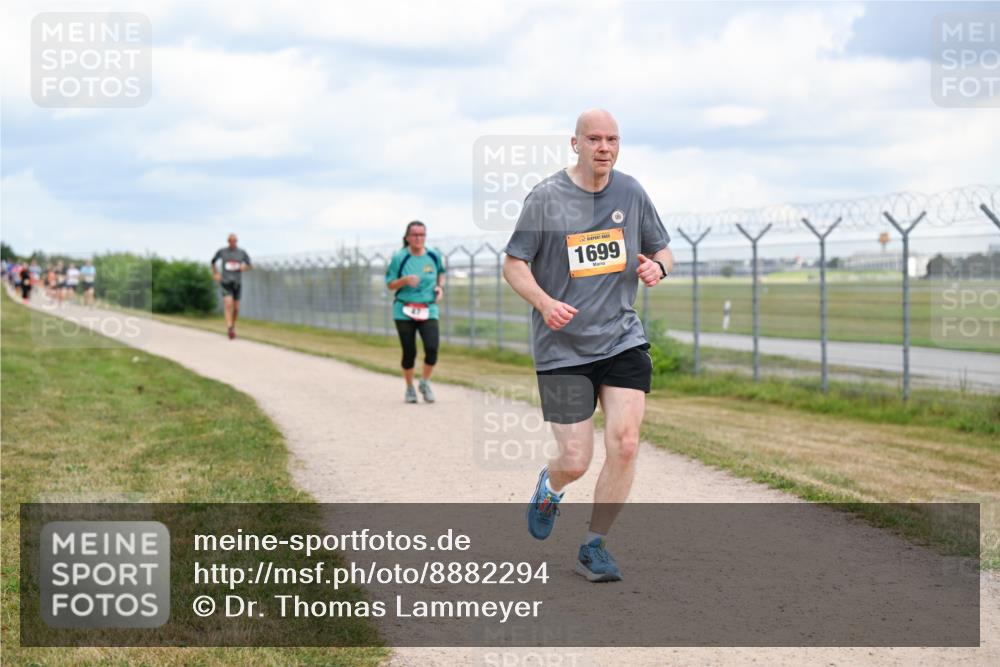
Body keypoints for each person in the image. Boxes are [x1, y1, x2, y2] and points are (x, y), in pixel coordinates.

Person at [503, 109, 674, 582]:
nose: (604, 146)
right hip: (562, 348)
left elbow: (663, 249)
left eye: (612, 139)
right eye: (594, 138)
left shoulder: (631, 192)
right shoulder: (546, 198)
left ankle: (594, 546)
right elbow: (514, 263)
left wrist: (659, 267)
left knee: (626, 442)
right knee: (575, 460)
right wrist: (543, 301)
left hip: (621, 339)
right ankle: (550, 487)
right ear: (574, 143)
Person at [385, 221, 445, 403]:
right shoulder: (400, 257)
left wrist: (440, 288)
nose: (419, 238)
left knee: (432, 348)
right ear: (408, 237)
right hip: (404, 309)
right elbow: (390, 284)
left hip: (428, 308)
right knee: (409, 351)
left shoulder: (434, 255)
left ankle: (424, 382)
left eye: (422, 235)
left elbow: (441, 274)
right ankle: (410, 388)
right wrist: (404, 280)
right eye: (415, 235)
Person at [210, 234, 252, 339]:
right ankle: (229, 327)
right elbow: (213, 261)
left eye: (235, 241)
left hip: (237, 283)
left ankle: (232, 326)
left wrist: (245, 267)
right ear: (228, 241)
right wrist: (216, 273)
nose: (233, 243)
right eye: (231, 241)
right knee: (228, 304)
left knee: (236, 308)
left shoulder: (241, 253)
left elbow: (250, 265)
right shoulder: (222, 252)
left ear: (236, 241)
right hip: (225, 282)